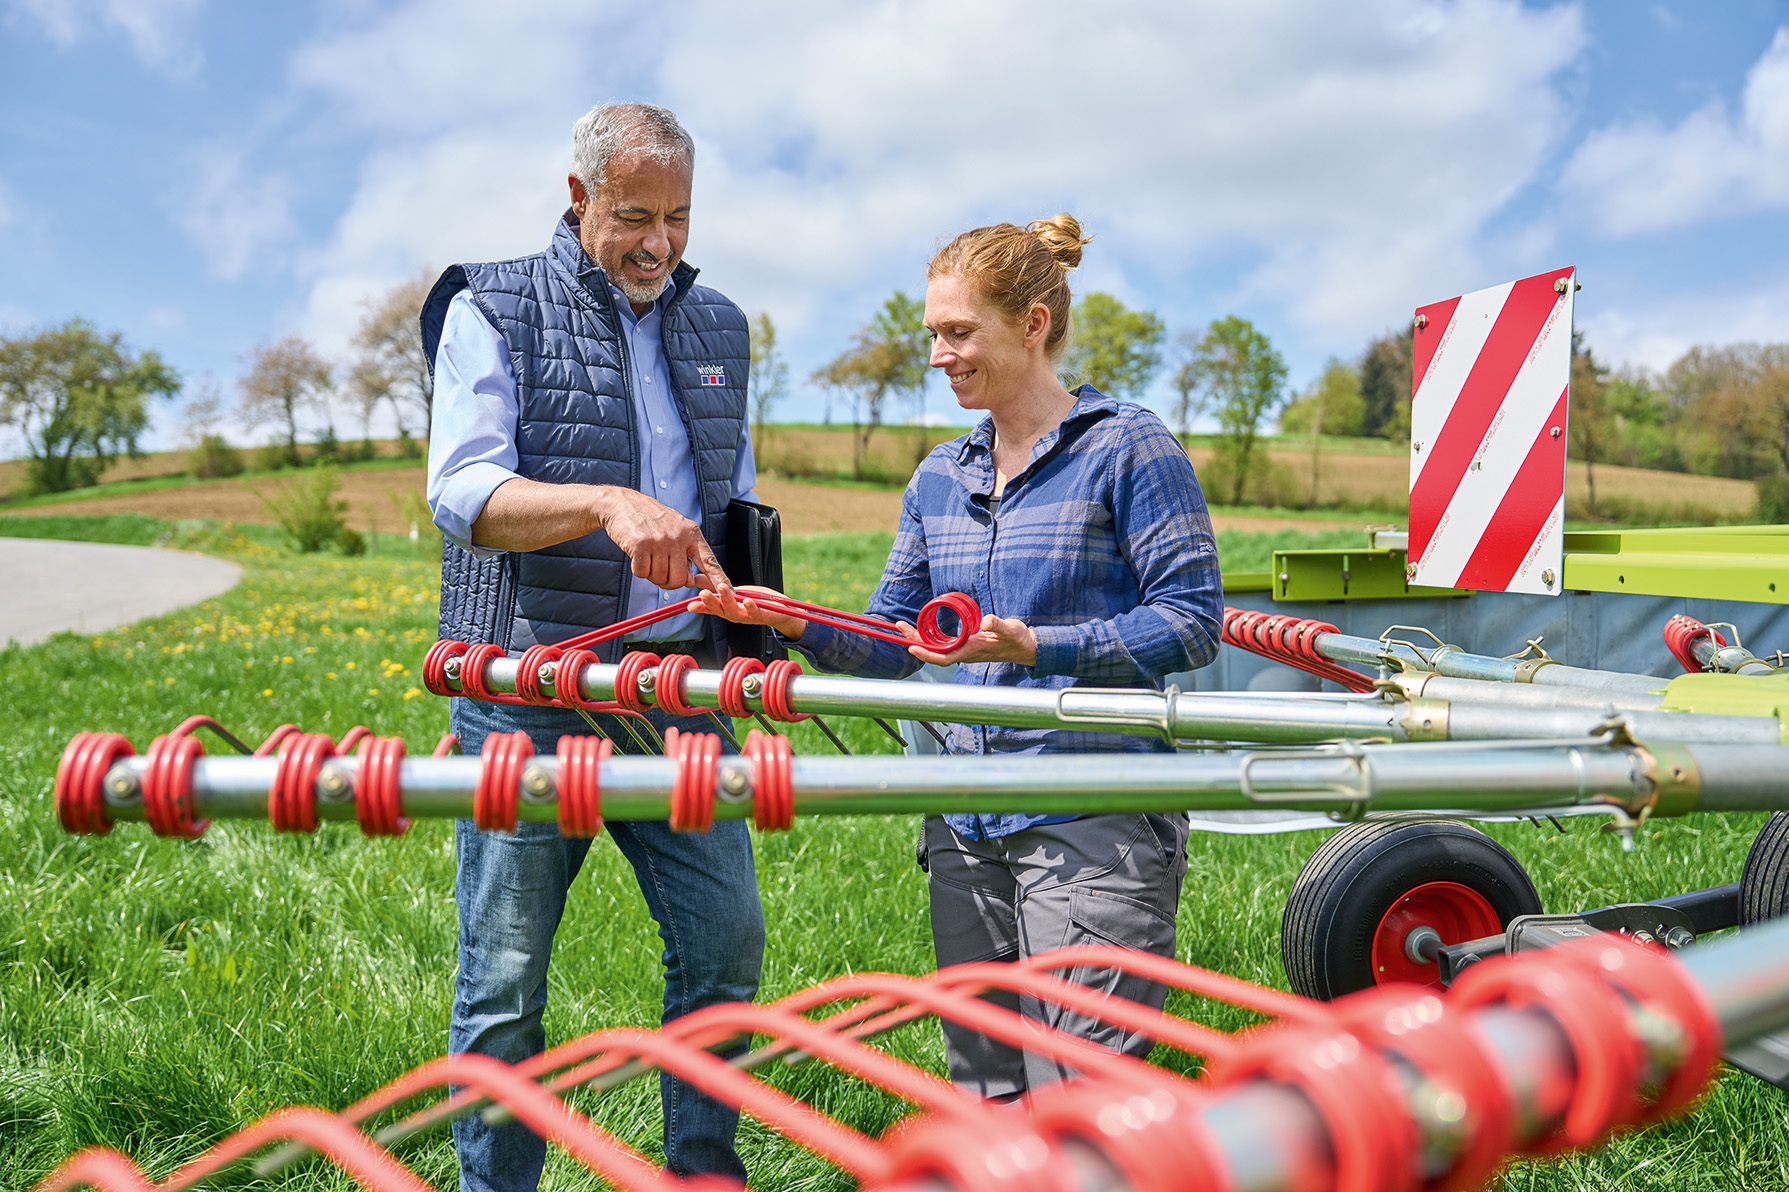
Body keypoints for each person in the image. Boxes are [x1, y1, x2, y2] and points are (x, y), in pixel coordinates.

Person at [700, 215, 1222, 1100]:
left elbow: (1192, 620)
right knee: (987, 1101)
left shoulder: (1126, 447)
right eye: (932, 334)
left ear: (1033, 324)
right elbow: (892, 646)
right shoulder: (941, 473)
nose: (938, 354)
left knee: (1082, 1106)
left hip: (1090, 821)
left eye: (958, 332)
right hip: (964, 824)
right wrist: (781, 618)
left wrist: (1040, 644)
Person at [422, 102, 764, 1191]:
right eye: (632, 216)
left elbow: (732, 500)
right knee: (507, 979)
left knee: (725, 943)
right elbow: (462, 492)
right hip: (531, 689)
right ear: (578, 201)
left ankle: (701, 1169)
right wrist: (605, 503)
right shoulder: (494, 305)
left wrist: (745, 603)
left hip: (675, 690)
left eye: (676, 216)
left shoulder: (720, 328)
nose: (658, 241)